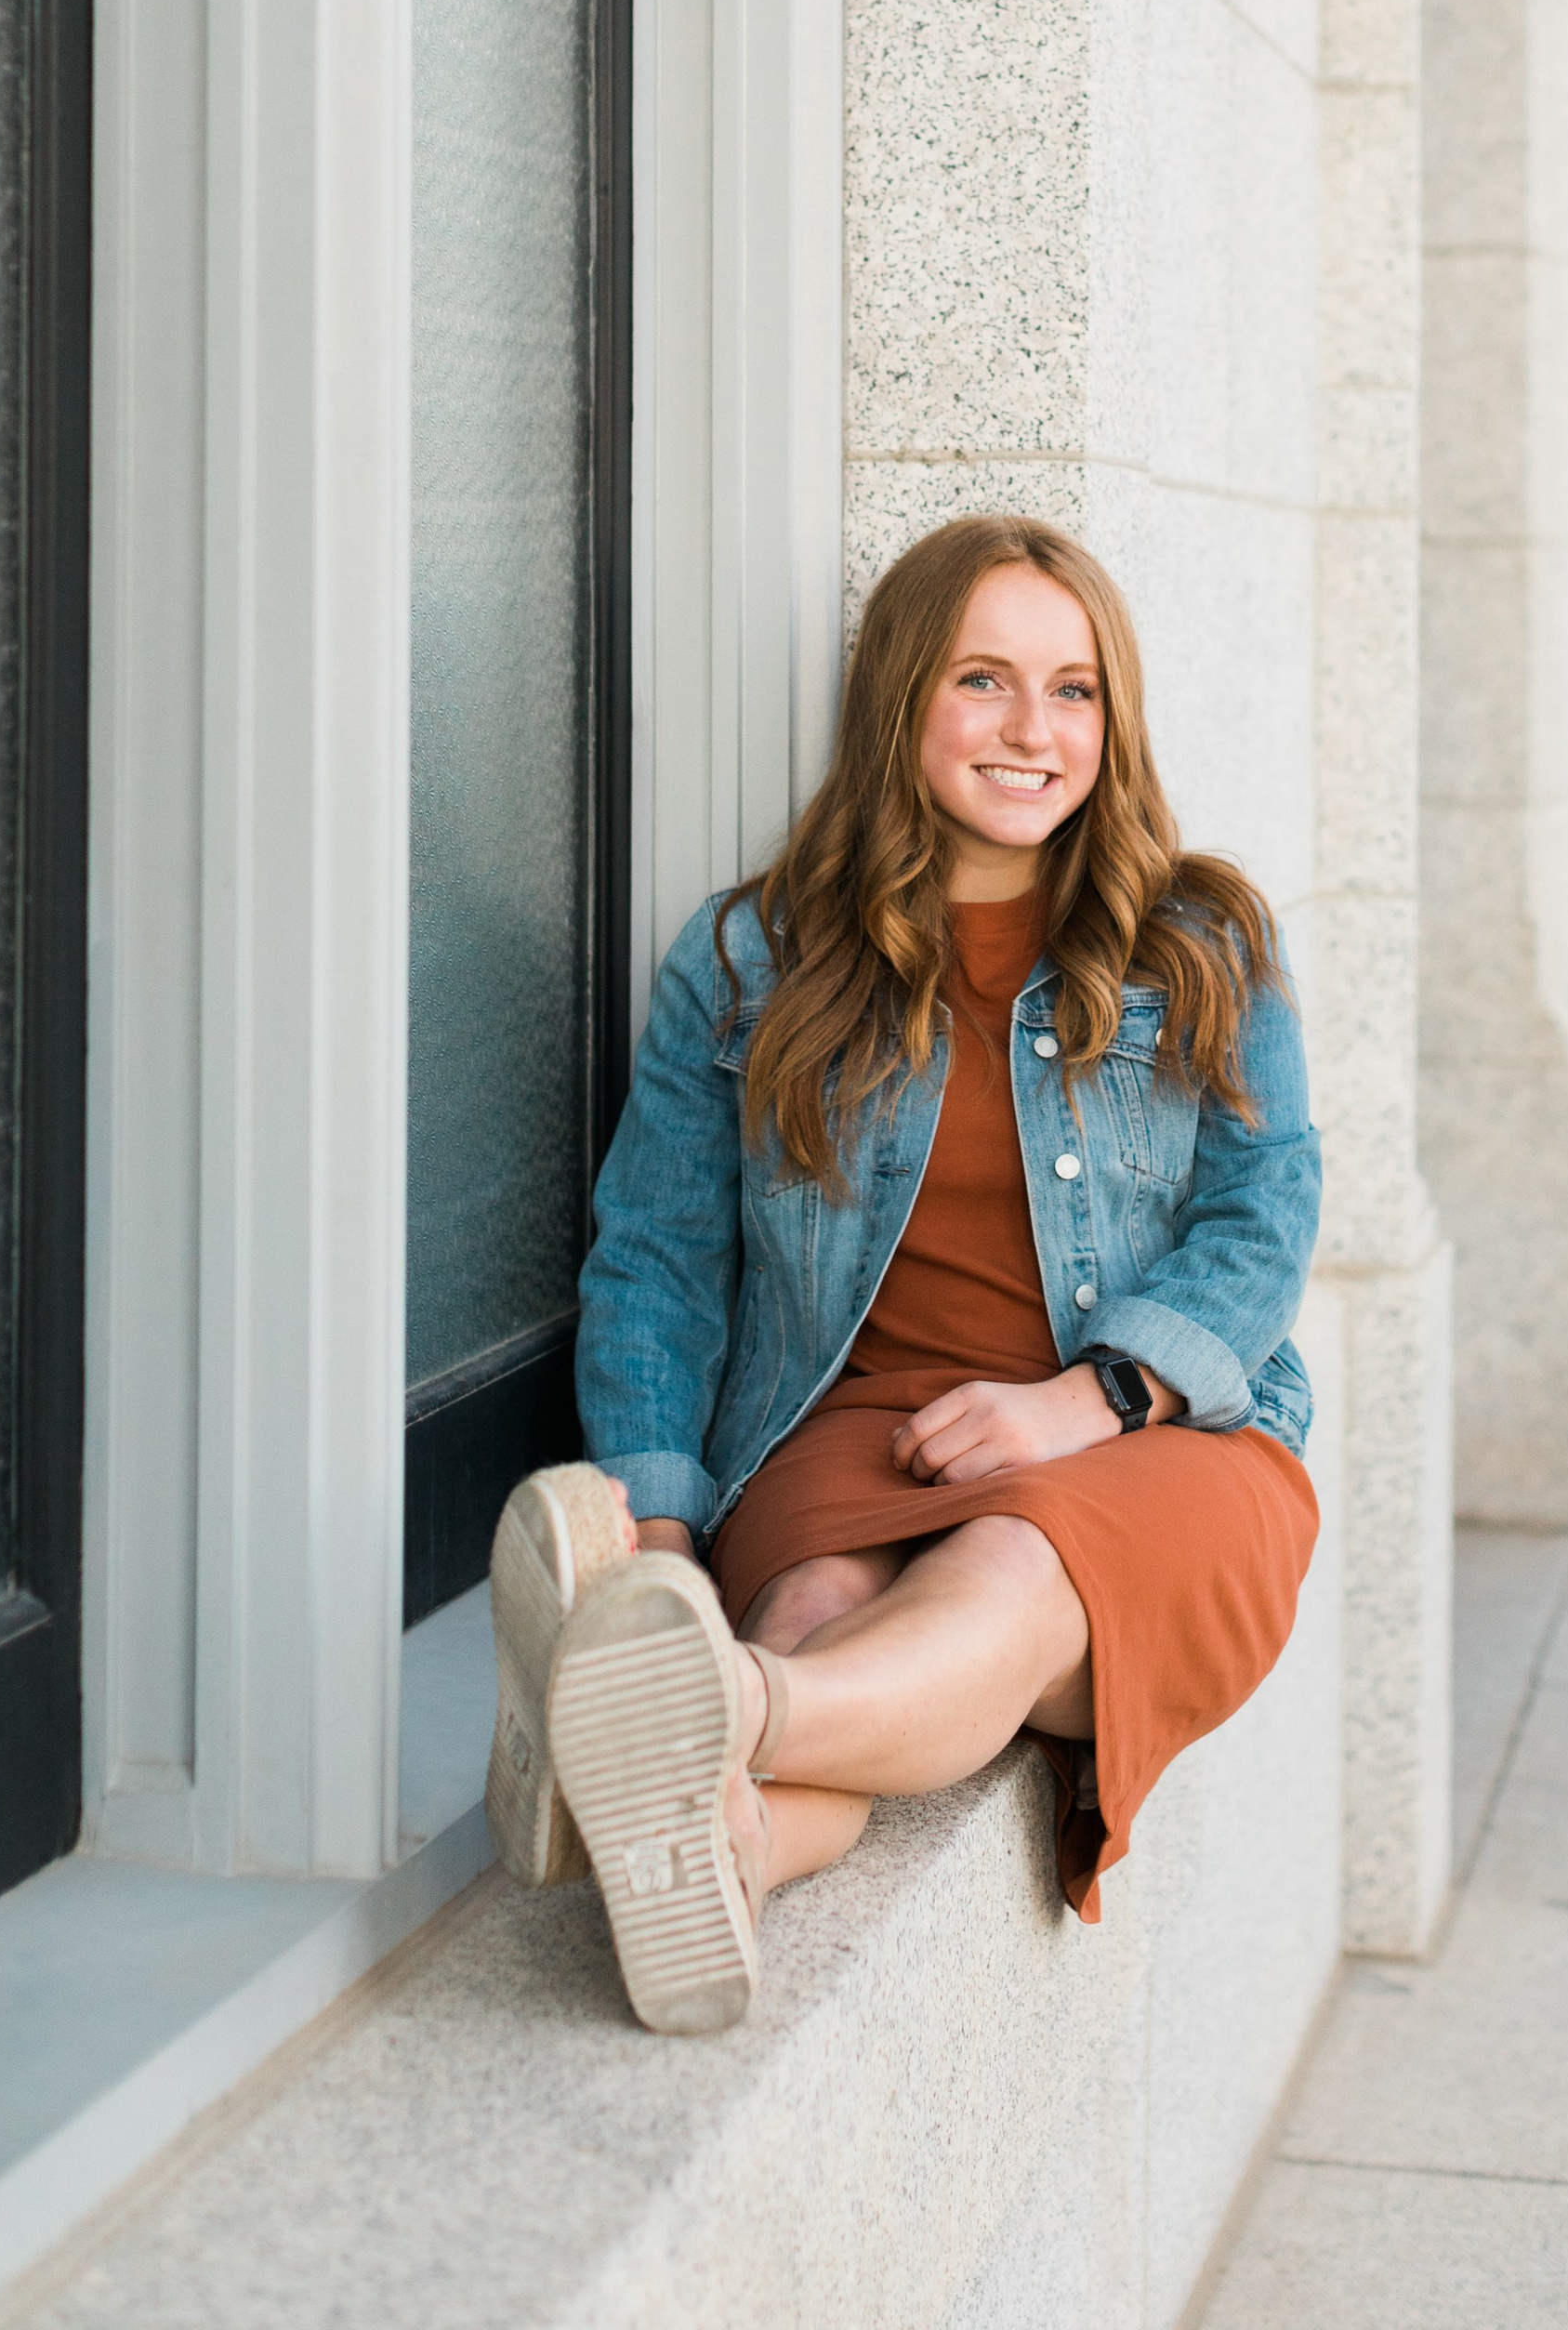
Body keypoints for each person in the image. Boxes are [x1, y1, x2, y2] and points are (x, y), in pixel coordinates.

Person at [482, 514, 1322, 2035]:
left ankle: (707, 1709)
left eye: (1074, 692)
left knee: (1008, 1568)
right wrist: (664, 1540)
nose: (1031, 730)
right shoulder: (751, 960)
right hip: (850, 1423)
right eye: (983, 680)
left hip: (1155, 1442)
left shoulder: (1201, 946)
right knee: (805, 1600)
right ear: (901, 700)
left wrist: (1093, 1396)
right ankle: (712, 1837)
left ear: (1113, 723)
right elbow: (660, 1266)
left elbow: (1268, 1214)